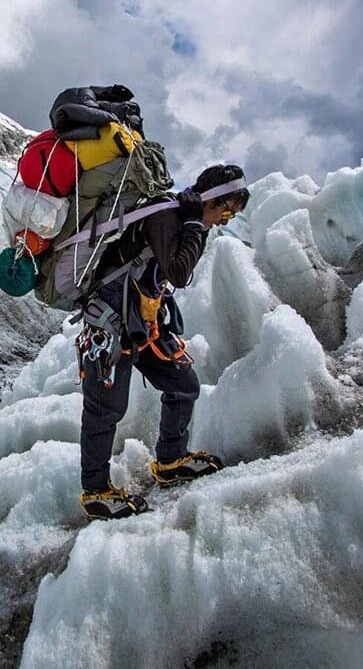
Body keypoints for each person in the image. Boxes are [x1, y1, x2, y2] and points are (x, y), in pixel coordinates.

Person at [78, 164, 250, 520]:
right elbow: (179, 273)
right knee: (104, 408)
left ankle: (170, 461)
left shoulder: (183, 218)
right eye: (227, 209)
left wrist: (194, 225)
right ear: (212, 199)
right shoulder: (168, 216)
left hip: (141, 321)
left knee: (183, 383)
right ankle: (96, 492)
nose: (226, 219)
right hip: (109, 322)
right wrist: (191, 224)